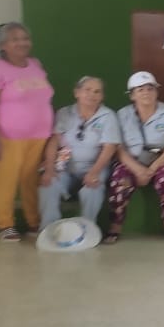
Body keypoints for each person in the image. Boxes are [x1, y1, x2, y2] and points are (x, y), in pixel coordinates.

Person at [0, 22, 53, 241]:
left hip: (39, 136)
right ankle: (5, 224)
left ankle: (33, 221)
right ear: (2, 45)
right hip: (9, 137)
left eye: (25, 38)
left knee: (31, 180)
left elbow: (44, 99)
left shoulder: (35, 64)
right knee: (7, 180)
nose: (22, 43)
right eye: (15, 39)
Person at [107, 71, 164, 244]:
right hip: (132, 162)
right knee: (120, 178)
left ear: (156, 91)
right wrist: (138, 169)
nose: (146, 92)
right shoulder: (122, 115)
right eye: (140, 90)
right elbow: (119, 148)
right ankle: (115, 225)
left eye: (150, 88)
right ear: (132, 95)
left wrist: (152, 169)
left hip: (161, 161)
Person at [39, 76, 120, 229]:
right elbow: (54, 142)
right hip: (65, 165)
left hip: (94, 166)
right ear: (77, 92)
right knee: (48, 185)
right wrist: (49, 169)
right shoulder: (64, 113)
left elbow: (109, 147)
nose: (92, 95)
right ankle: (48, 230)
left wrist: (94, 172)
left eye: (97, 92)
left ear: (102, 96)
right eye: (87, 90)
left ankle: (87, 230)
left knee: (92, 189)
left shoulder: (108, 116)